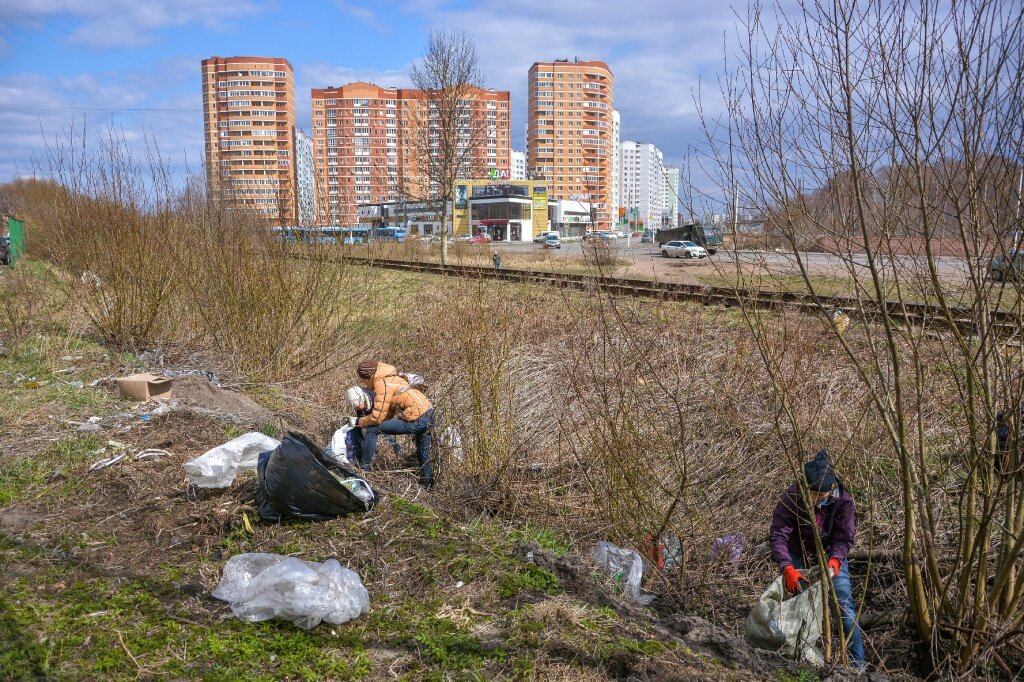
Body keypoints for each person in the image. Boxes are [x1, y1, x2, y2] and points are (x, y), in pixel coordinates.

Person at [769, 448, 865, 670]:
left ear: (831, 490)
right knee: (798, 608)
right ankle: (799, 661)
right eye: (810, 494)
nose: (813, 500)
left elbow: (844, 539)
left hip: (830, 556)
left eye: (818, 496)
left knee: (844, 606)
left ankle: (858, 666)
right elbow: (778, 535)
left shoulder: (844, 502)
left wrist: (835, 561)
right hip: (798, 555)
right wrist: (788, 568)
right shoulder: (792, 497)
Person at [355, 359, 434, 487]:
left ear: (369, 376)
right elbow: (388, 411)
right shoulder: (394, 378)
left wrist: (361, 421)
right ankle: (428, 484)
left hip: (417, 420)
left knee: (373, 430)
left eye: (363, 380)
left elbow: (376, 417)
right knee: (422, 452)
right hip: (429, 414)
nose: (364, 383)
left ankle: (363, 469)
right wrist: (383, 421)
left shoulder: (382, 383)